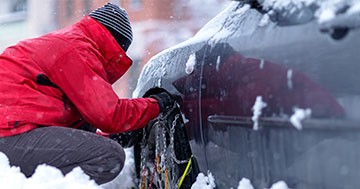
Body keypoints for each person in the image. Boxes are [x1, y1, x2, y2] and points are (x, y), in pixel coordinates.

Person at [0, 3, 175, 185]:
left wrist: (112, 136)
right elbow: (109, 115)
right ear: (114, 45)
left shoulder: (67, 43)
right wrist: (157, 104)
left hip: (11, 132)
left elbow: (72, 125)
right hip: (9, 134)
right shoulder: (78, 49)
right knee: (108, 157)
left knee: (87, 123)